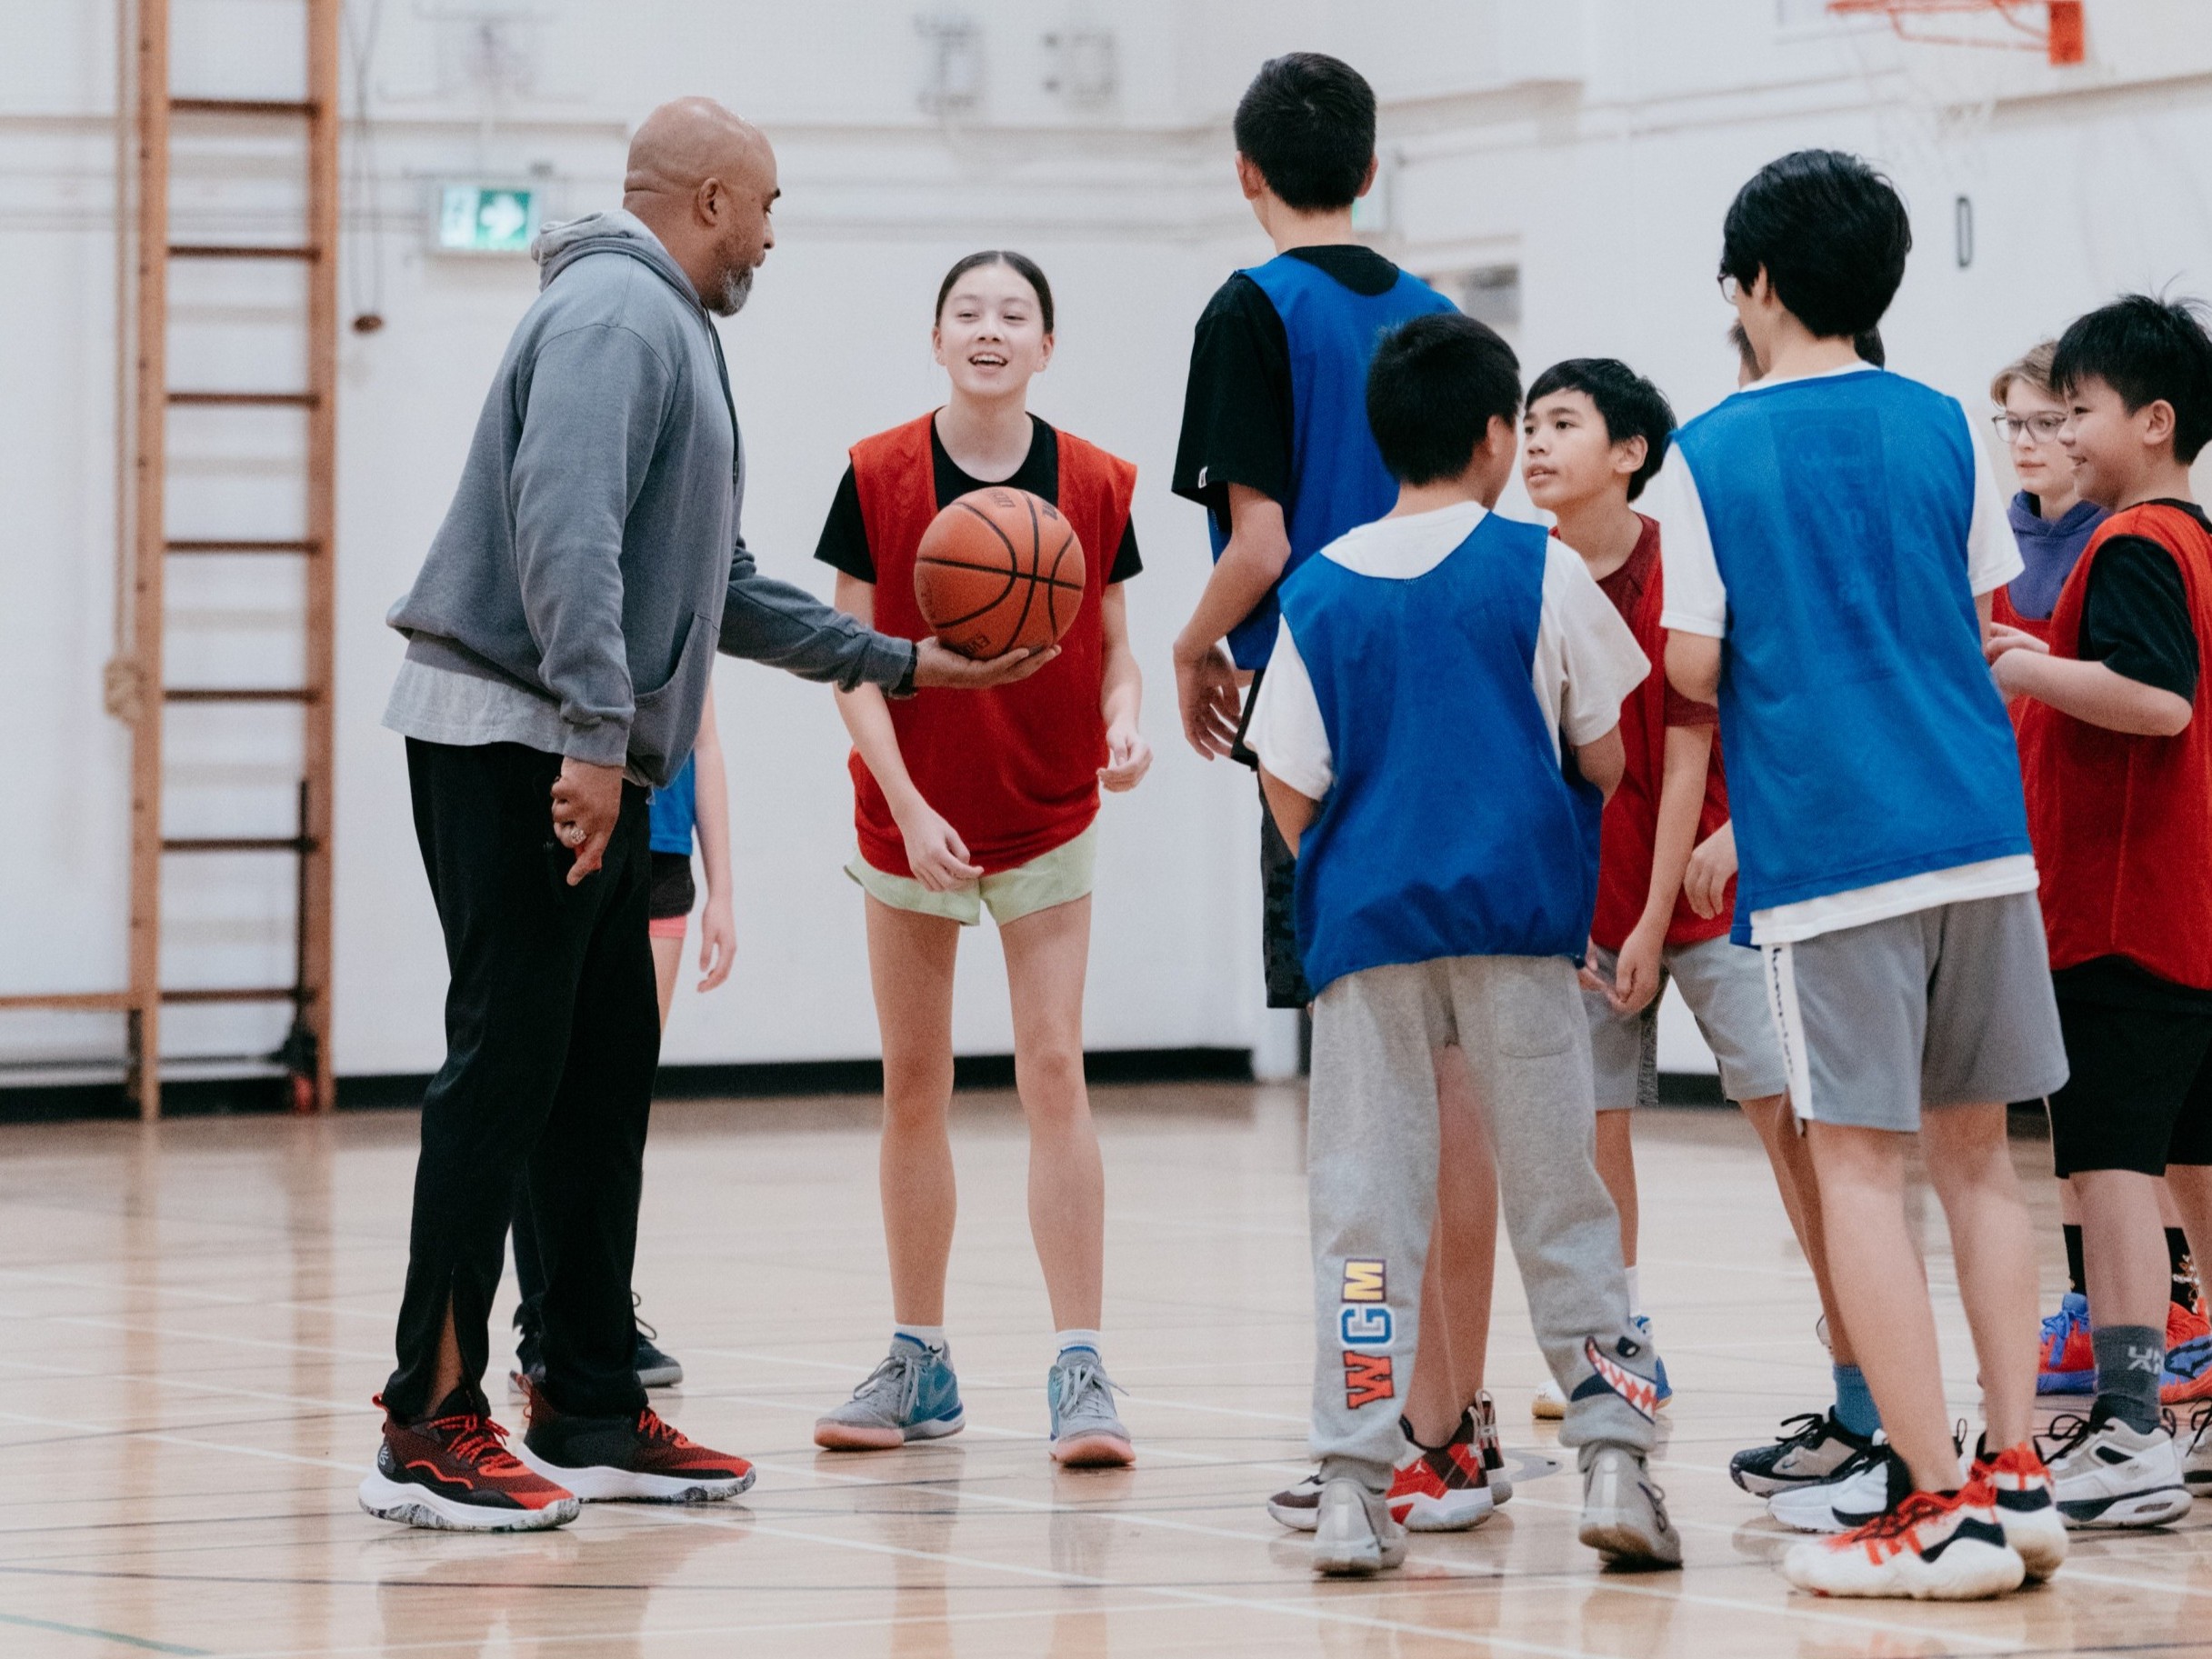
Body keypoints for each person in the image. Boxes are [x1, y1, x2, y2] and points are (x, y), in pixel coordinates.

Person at [360, 97, 1046, 1534]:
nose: (775, 236)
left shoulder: (668, 325)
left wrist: (907, 660)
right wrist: (600, 739)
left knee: (598, 1077)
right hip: (519, 745)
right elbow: (563, 526)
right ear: (716, 197)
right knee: (504, 1069)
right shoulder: (621, 313)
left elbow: (715, 581)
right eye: (772, 207)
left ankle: (590, 1403)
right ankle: (426, 1420)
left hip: (572, 745)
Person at [1653, 148, 2068, 1599]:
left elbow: (1696, 665)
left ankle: (1936, 1503)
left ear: (1757, 284)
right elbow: (1974, 620)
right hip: (1980, 832)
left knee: (1858, 1175)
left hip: (1836, 857)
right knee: (1983, 1165)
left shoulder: (1704, 454)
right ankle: (2018, 1475)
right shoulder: (1951, 421)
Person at [1249, 310, 1680, 1578]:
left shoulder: (1316, 587)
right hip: (1516, 933)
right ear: (1495, 438)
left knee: (1365, 1221)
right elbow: (1602, 751)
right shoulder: (1538, 567)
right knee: (1563, 1202)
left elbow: (1287, 787)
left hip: (1367, 942)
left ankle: (1350, 1480)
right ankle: (1611, 1455)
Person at [1170, 50, 1510, 1535]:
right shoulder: (1437, 316)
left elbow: (1254, 545)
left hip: (1323, 717)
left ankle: (1378, 1439)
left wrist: (1186, 646)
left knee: (1366, 1114)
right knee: (1456, 1088)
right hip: (1459, 712)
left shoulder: (1246, 310)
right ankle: (1454, 1428)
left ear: (1244, 173)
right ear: (1369, 170)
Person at [807, 251, 1151, 1466]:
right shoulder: (876, 474)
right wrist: (904, 797)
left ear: (1046, 346)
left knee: (1053, 1066)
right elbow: (845, 655)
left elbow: (1116, 647)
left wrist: (1125, 719)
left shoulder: (1099, 482)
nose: (991, 329)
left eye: (1015, 315)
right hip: (910, 807)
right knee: (915, 1079)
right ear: (937, 336)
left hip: (1046, 805)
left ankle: (1082, 1364)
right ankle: (919, 1356)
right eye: (969, 312)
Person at [1521, 357, 1804, 1443]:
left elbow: (1689, 749)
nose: (1536, 443)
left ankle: (1849, 1321)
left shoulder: (1677, 562)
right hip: (1585, 904)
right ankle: (1618, 1337)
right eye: (1528, 424)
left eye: (1563, 423)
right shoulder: (1527, 573)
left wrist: (1646, 921)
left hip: (1702, 882)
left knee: (1785, 1113)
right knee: (1597, 1131)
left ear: (1630, 453)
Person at [1988, 294, 2212, 1523]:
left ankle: (2130, 1430)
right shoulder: (2198, 538)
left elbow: (2155, 700)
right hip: (2188, 907)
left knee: (2111, 1166)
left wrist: (2014, 661)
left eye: (2078, 409)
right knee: (2190, 1158)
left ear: (2156, 419)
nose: (2061, 432)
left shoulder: (2134, 543)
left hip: (2123, 908)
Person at [505, 689, 736, 1397]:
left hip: (662, 862)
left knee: (615, 1105)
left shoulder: (684, 618)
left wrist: (722, 890)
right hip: (586, 838)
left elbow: (705, 745)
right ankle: (543, 1321)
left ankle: (601, 1314)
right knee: (549, 1094)